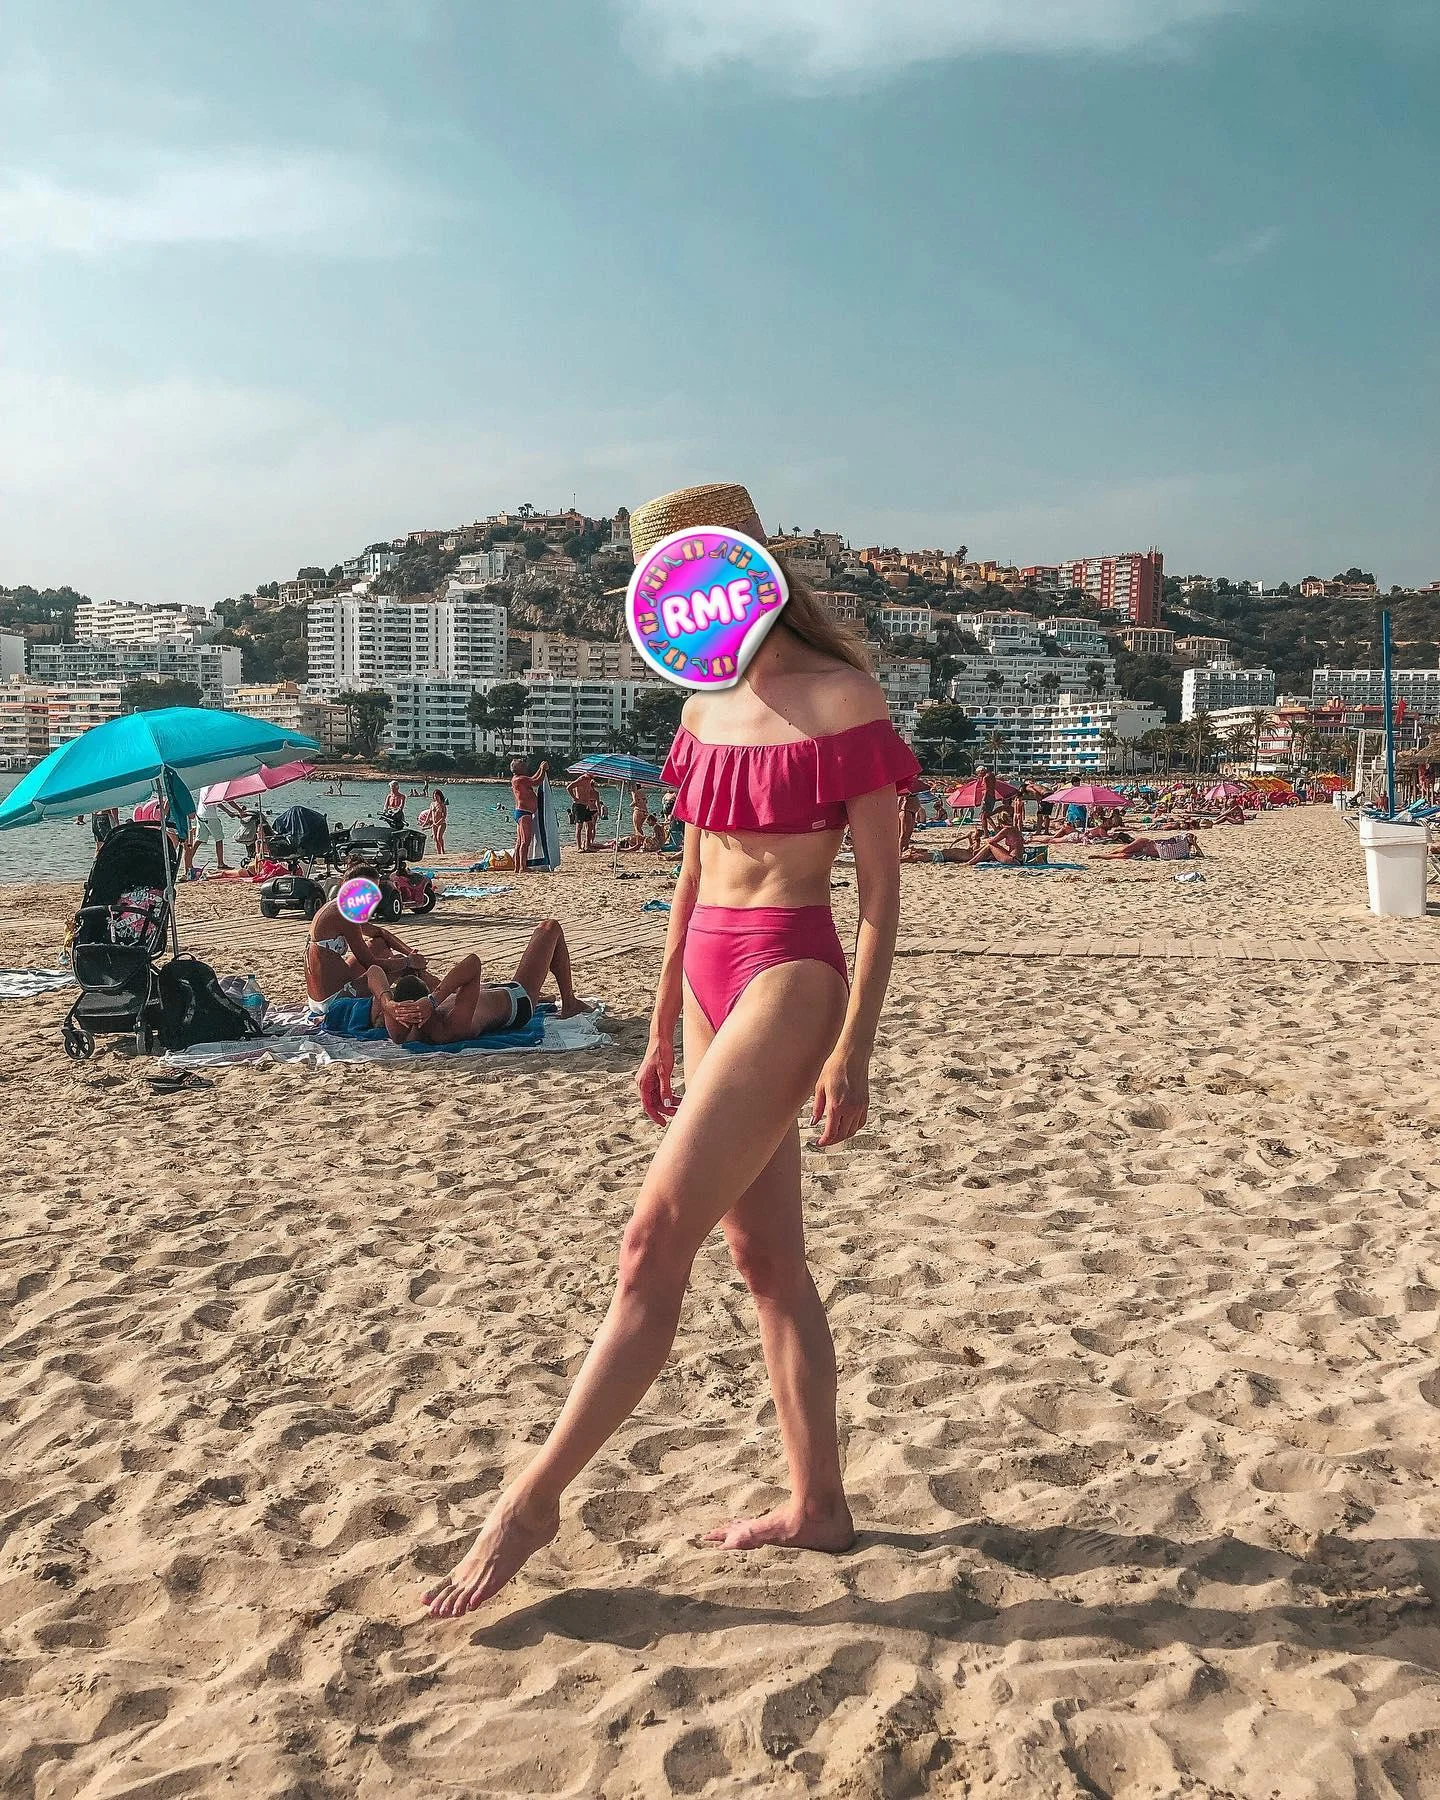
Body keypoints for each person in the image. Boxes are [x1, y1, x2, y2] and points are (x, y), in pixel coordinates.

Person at [421, 480, 919, 1622]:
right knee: (766, 1260)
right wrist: (655, 1025)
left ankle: (530, 1505)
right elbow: (689, 877)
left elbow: (884, 897)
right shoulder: (699, 709)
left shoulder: (843, 695)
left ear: (743, 571)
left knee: (651, 1243)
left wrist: (855, 1046)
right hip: (702, 975)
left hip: (792, 968)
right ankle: (820, 1506)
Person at [345, 921, 592, 1045]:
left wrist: (387, 1002)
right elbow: (473, 962)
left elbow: (374, 971)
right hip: (517, 1000)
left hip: (481, 995)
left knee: (425, 977)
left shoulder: (397, 1021)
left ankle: (545, 998)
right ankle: (569, 1002)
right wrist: (433, 1000)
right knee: (549, 928)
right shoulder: (450, 1027)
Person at [304, 867, 431, 1002]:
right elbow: (369, 963)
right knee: (398, 964)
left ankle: (430, 987)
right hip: (332, 999)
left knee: (379, 944)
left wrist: (411, 953)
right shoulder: (344, 913)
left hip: (323, 992)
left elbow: (380, 932)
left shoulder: (338, 904)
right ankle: (433, 991)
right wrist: (408, 961)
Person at [511, 757, 548, 872]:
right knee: (525, 841)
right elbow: (536, 781)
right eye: (523, 766)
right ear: (518, 768)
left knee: (520, 841)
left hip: (522, 812)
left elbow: (533, 778)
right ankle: (523, 867)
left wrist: (540, 769)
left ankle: (517, 866)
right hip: (524, 813)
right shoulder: (520, 779)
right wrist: (542, 769)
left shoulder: (519, 779)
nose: (525, 767)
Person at [1094, 832, 1203, 861]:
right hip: (1148, 843)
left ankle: (1102, 856)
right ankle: (1107, 854)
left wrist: (1194, 843)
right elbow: (1174, 837)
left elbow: (1201, 855)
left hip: (1150, 853)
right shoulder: (1178, 840)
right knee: (1124, 849)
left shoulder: (1185, 851)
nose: (1188, 837)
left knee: (1124, 855)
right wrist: (1188, 838)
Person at [567, 771, 601, 852]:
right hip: (579, 805)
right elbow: (569, 787)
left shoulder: (589, 781)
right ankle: (579, 847)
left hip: (586, 806)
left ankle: (588, 845)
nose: (595, 775)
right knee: (579, 826)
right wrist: (574, 797)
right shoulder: (582, 779)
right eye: (594, 774)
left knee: (590, 825)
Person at [898, 787, 922, 855]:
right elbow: (900, 798)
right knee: (903, 834)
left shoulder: (914, 788)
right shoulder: (906, 788)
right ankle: (899, 852)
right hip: (906, 810)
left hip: (912, 810)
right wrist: (898, 810)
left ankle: (905, 848)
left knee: (909, 833)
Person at [428, 789, 448, 856]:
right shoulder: (432, 804)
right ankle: (438, 853)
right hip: (434, 824)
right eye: (434, 796)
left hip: (441, 823)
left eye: (437, 796)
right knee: (435, 839)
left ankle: (443, 851)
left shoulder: (442, 805)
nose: (435, 798)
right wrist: (425, 822)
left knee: (439, 837)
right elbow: (429, 814)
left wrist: (438, 823)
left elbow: (444, 816)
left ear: (440, 796)